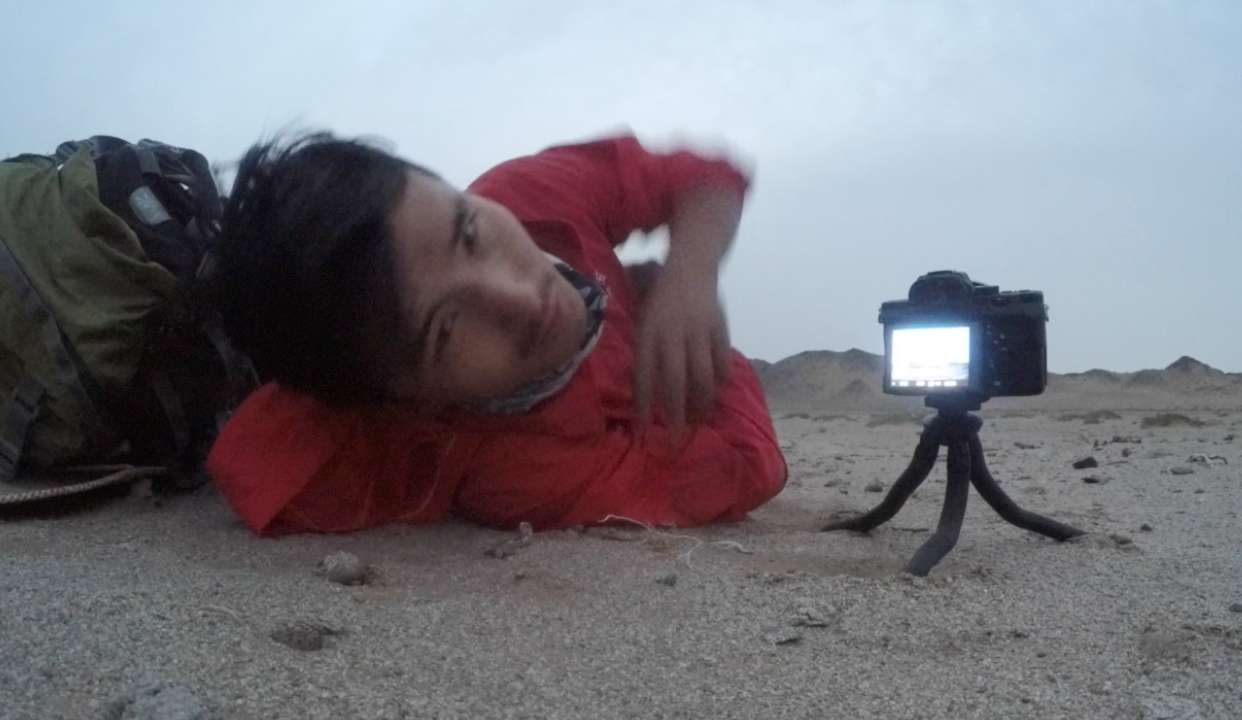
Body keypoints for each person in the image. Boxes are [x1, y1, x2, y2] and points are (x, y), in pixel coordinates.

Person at [206, 129, 787, 535]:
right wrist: (716, 360)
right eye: (446, 329)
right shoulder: (514, 466)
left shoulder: (529, 193)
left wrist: (690, 276)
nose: (519, 299)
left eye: (469, 232)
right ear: (411, 401)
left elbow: (708, 176)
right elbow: (744, 467)